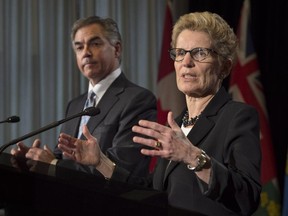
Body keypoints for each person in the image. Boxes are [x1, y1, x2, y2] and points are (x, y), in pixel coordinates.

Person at [57, 11, 261, 215]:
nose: (186, 62)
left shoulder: (237, 117)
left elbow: (247, 197)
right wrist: (101, 162)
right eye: (180, 53)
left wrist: (191, 155)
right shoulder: (176, 124)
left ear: (224, 67)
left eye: (200, 53)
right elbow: (151, 193)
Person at [10, 16, 157, 179]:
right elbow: (63, 156)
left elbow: (124, 167)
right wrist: (33, 161)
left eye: (95, 44)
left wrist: (53, 165)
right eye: (79, 47)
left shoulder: (138, 100)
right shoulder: (75, 105)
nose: (86, 53)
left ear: (117, 49)